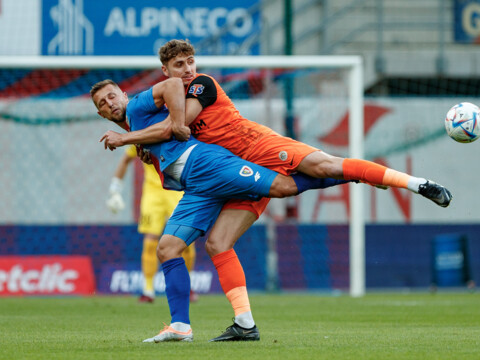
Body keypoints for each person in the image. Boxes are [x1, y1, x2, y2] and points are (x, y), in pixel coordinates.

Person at [105, 39, 453, 342]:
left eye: (189, 62)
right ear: (165, 70)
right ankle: (244, 324)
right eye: (178, 65)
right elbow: (166, 132)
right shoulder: (164, 105)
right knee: (217, 243)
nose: (186, 69)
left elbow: (173, 128)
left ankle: (416, 183)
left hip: (259, 148)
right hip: (226, 175)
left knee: (325, 167)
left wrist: (130, 137)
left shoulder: (201, 85)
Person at [91, 78, 349, 342]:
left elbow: (172, 98)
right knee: (175, 246)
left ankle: (352, 172)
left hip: (212, 166)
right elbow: (148, 147)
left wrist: (142, 135)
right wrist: (135, 158)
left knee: (282, 186)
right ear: (100, 113)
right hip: (189, 186)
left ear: (123, 94)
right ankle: (192, 323)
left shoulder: (144, 106)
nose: (109, 104)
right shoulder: (136, 129)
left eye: (111, 96)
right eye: (102, 103)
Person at [107, 145, 197, 303]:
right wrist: (115, 189)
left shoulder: (173, 133)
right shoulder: (142, 136)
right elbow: (126, 159)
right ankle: (148, 290)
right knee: (150, 241)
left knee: (186, 240)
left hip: (176, 191)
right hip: (152, 195)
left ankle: (186, 285)